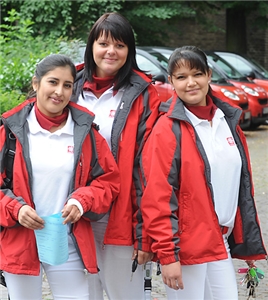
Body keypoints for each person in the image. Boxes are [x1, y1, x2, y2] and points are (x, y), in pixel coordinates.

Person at [137, 46, 267, 299]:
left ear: (208, 75)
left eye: (197, 74)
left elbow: (241, 189)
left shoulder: (226, 120)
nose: (191, 83)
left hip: (220, 242)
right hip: (186, 249)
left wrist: (246, 245)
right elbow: (157, 198)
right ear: (172, 81)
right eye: (181, 77)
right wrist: (167, 255)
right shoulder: (166, 129)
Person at [0, 54, 120, 300]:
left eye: (67, 85)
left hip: (67, 241)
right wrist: (16, 209)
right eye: (53, 82)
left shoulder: (85, 133)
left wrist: (81, 201)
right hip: (21, 241)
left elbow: (108, 181)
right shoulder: (9, 131)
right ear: (36, 84)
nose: (59, 91)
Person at [71, 12, 160, 300]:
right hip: (73, 212)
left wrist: (144, 228)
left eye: (120, 45)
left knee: (127, 293)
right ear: (91, 46)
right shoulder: (68, 87)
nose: (111, 51)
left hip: (121, 215)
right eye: (104, 43)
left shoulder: (144, 94)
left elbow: (150, 167)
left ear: (129, 51)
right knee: (85, 293)